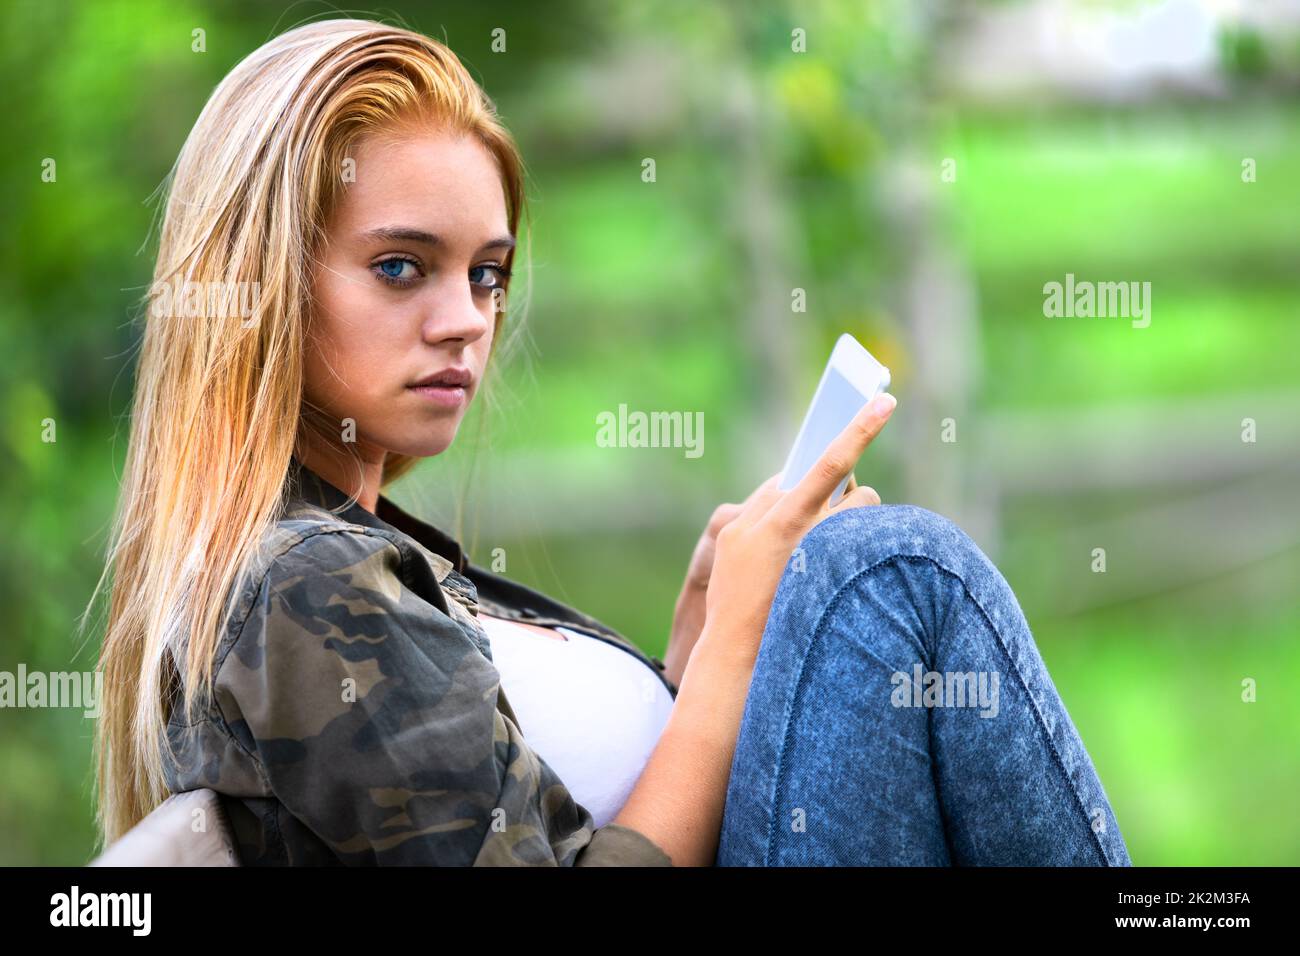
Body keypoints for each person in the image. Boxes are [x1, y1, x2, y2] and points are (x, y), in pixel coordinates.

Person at [91, 19, 1131, 867]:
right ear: (258, 281)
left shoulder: (374, 561)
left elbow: (567, 828)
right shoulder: (300, 582)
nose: (467, 318)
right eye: (403, 266)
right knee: (889, 571)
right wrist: (736, 645)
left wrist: (684, 665)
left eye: (488, 273)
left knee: (865, 575)